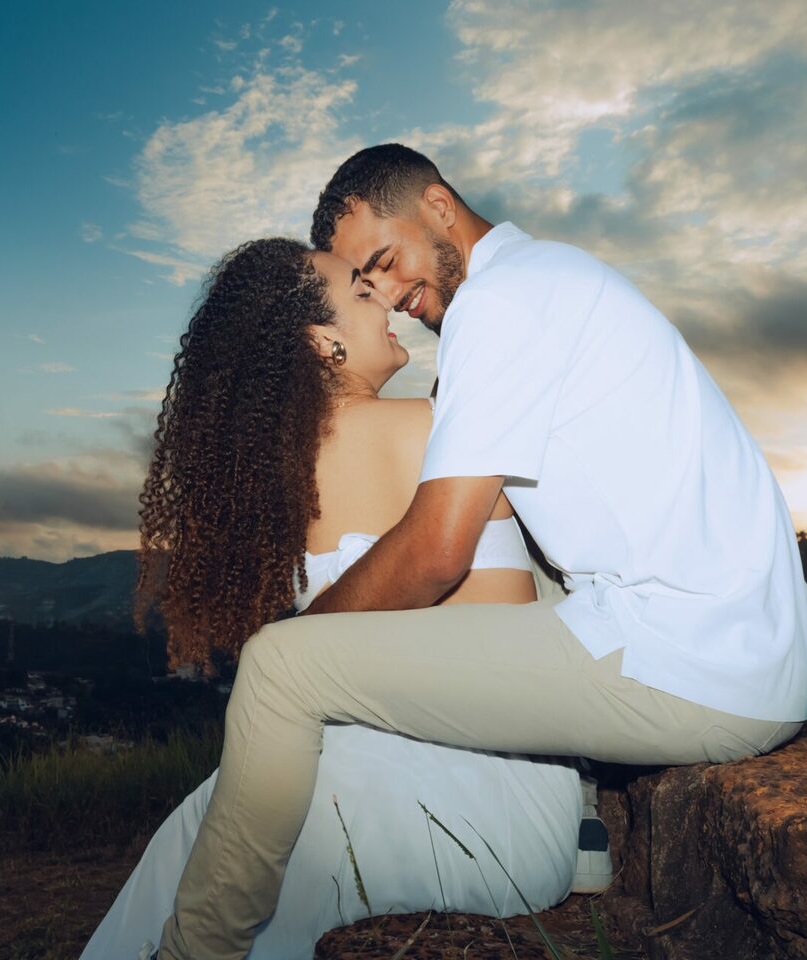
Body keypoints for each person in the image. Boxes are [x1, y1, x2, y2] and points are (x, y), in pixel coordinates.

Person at [155, 145, 807, 960]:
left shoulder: (501, 305)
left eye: (385, 263)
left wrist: (313, 638)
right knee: (538, 561)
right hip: (758, 645)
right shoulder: (546, 284)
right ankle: (584, 822)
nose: (394, 298)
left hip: (698, 661)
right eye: (365, 286)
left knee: (280, 667)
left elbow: (439, 551)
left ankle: (197, 950)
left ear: (439, 207)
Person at [80, 238, 585, 960]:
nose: (383, 294)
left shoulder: (282, 486)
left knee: (203, 836)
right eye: (358, 289)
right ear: (324, 343)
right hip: (499, 797)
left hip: (398, 776)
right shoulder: (434, 433)